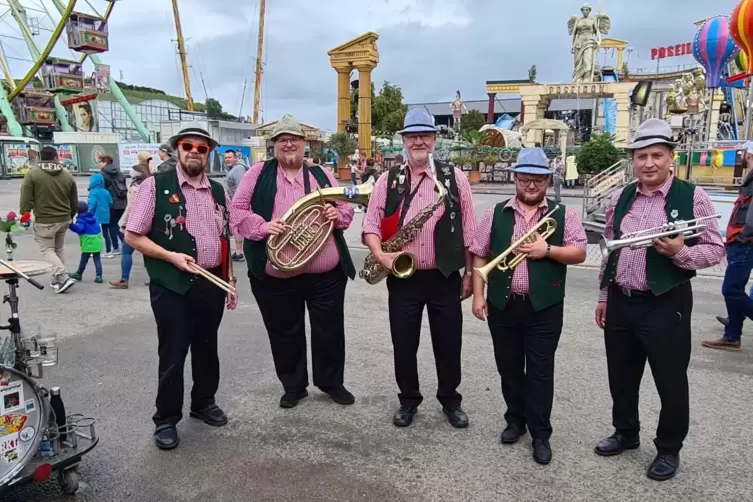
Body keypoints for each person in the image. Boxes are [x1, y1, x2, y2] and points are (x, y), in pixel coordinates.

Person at [593, 119, 724, 481]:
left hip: (666, 301)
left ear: (670, 158)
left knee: (670, 379)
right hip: (621, 299)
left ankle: (668, 448)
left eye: (656, 155)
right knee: (620, 373)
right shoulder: (620, 197)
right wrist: (604, 294)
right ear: (633, 160)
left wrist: (680, 252)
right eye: (641, 156)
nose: (648, 163)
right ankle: (626, 432)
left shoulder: (692, 196)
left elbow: (716, 249)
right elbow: (610, 249)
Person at [470, 147, 587, 465]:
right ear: (515, 180)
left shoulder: (563, 215)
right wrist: (479, 294)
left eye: (537, 179)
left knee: (539, 372)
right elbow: (479, 253)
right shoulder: (495, 213)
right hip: (503, 304)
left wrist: (547, 249)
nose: (530, 185)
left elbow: (579, 252)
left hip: (544, 308)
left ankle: (540, 433)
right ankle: (515, 420)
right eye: (524, 179)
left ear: (547, 180)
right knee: (508, 367)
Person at [362, 108, 477, 429]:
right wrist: (381, 256)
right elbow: (370, 225)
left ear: (434, 139)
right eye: (412, 136)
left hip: (444, 277)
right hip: (403, 277)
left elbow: (470, 232)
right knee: (404, 342)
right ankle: (408, 400)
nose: (418, 141)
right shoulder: (388, 179)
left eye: (424, 135)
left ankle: (450, 400)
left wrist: (469, 274)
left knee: (449, 342)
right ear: (404, 140)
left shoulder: (455, 178)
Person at [232, 115, 356, 409]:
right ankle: (293, 385)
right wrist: (263, 227)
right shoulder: (256, 173)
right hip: (277, 275)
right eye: (282, 139)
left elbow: (345, 208)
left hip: (325, 275)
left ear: (304, 144)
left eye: (294, 139)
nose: (289, 144)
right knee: (284, 332)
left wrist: (337, 216)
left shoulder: (322, 175)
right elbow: (236, 211)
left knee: (329, 330)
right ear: (274, 145)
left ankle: (331, 382)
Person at [125, 125, 237, 450]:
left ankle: (203, 403)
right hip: (172, 285)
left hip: (211, 283)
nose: (194, 152)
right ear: (178, 149)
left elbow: (224, 237)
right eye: (188, 146)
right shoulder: (154, 186)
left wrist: (230, 280)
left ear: (208, 154)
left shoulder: (218, 191)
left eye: (202, 148)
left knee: (207, 348)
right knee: (173, 353)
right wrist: (170, 256)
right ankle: (166, 419)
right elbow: (133, 235)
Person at [704, 142, 753, 350]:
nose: (743, 157)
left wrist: (743, 235)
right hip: (743, 240)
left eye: (746, 154)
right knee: (738, 288)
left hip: (744, 242)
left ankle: (733, 332)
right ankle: (732, 333)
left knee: (731, 289)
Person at [19, 146, 77, 293]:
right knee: (58, 249)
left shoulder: (33, 174)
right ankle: (57, 279)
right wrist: (71, 215)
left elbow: (26, 199)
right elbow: (74, 200)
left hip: (45, 220)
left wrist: (25, 215)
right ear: (56, 157)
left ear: (40, 157)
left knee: (47, 250)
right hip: (64, 218)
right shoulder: (67, 175)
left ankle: (62, 276)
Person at [110, 161, 153, 289]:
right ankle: (155, 278)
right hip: (148, 223)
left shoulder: (135, 188)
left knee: (126, 252)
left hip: (134, 223)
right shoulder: (150, 185)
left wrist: (123, 223)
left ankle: (124, 279)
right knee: (149, 252)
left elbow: (131, 208)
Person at [98, 155, 127, 257]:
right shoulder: (119, 172)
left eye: (100, 162)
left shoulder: (103, 174)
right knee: (120, 225)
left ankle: (115, 248)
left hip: (111, 203)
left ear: (105, 162)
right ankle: (126, 244)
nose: (99, 164)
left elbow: (103, 190)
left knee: (111, 226)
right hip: (123, 202)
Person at [69, 201, 104, 283]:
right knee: (97, 259)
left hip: (88, 242)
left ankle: (79, 273)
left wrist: (71, 225)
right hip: (97, 240)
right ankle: (99, 276)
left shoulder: (81, 220)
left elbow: (80, 229)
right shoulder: (93, 217)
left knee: (84, 259)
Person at [224, 150, 249, 262]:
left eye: (229, 157)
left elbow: (241, 187)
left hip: (237, 203)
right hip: (234, 202)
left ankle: (239, 252)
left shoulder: (238, 169)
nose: (227, 160)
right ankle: (239, 251)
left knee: (238, 227)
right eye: (226, 158)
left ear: (235, 158)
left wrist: (237, 204)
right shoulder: (234, 169)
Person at [86, 173, 112, 261]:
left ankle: (95, 251)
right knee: (106, 234)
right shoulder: (106, 191)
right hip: (106, 215)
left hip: (96, 216)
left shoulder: (93, 192)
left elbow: (92, 204)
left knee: (95, 234)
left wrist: (89, 213)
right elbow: (110, 203)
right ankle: (109, 251)